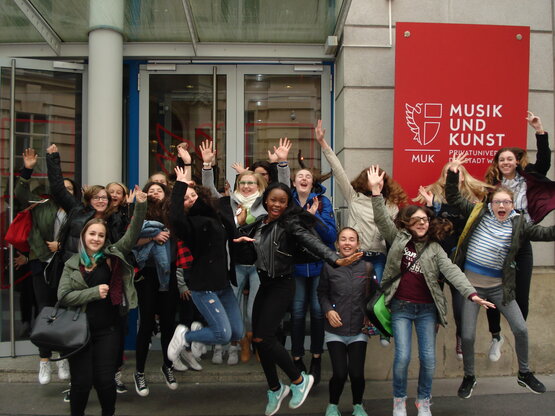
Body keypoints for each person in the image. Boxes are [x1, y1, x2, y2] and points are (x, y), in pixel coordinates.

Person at [367, 165, 493, 416]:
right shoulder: (399, 239)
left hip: (427, 310)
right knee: (402, 357)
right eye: (416, 220)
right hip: (401, 307)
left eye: (425, 219)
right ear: (407, 224)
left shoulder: (435, 248)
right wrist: (376, 193)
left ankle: (423, 400)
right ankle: (399, 400)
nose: (421, 223)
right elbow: (381, 219)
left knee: (428, 359)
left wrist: (472, 294)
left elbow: (452, 271)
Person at [234, 182, 362, 416]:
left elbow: (310, 240)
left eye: (282, 201)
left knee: (267, 337)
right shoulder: (260, 223)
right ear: (265, 200)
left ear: (287, 204)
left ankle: (299, 380)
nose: (277, 204)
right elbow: (251, 253)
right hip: (265, 284)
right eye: (273, 200)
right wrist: (242, 234)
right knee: (259, 340)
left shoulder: (289, 223)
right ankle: (275, 389)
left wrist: (334, 259)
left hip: (282, 285)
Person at [445, 160, 555, 400]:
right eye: (497, 202)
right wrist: (453, 174)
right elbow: (453, 197)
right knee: (468, 335)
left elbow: (546, 233)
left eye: (506, 202)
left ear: (512, 205)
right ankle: (469, 376)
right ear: (491, 204)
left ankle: (524, 373)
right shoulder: (478, 213)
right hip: (471, 287)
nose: (501, 206)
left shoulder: (519, 224)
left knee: (521, 328)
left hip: (499, 289)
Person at [314, 120, 407, 346]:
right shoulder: (353, 197)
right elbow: (339, 171)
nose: (375, 182)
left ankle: (382, 330)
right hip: (357, 255)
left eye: (379, 179)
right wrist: (323, 144)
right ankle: (346, 332)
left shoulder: (391, 205)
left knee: (382, 293)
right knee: (351, 294)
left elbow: (394, 234)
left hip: (379, 256)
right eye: (371, 178)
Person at [57, 186, 147, 416]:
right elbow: (63, 296)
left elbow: (132, 234)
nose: (96, 239)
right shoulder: (71, 264)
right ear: (83, 236)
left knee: (105, 381)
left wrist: (140, 205)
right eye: (92, 234)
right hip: (77, 331)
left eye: (101, 235)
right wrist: (94, 293)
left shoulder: (111, 255)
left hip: (107, 330)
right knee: (81, 384)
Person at [482, 111, 555, 362]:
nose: (505, 162)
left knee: (521, 295)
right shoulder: (491, 187)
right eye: (501, 159)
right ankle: (496, 336)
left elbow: (544, 161)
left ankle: (517, 329)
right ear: (497, 163)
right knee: (492, 291)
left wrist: (540, 130)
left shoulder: (528, 177)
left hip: (522, 240)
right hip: (497, 244)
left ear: (516, 162)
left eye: (509, 159)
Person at [167, 165, 244, 379]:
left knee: (237, 332)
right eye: (185, 198)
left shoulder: (215, 215)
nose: (190, 199)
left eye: (193, 195)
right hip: (204, 287)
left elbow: (230, 227)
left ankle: (194, 335)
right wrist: (180, 187)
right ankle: (185, 337)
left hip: (223, 285)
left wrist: (241, 241)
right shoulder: (188, 225)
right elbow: (176, 217)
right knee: (222, 334)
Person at [414, 155, 493, 360]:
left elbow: (474, 225)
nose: (452, 176)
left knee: (460, 306)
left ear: (463, 177)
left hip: (460, 262)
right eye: (449, 172)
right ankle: (428, 344)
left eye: (456, 173)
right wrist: (430, 207)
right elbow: (425, 230)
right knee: (432, 303)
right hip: (436, 259)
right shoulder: (434, 198)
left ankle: (460, 335)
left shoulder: (473, 200)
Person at [15, 148, 81, 386]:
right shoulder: (42, 205)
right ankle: (44, 360)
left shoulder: (77, 211)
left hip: (67, 267)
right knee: (45, 311)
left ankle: (62, 357)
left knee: (63, 311)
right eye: (63, 188)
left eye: (70, 189)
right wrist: (27, 169)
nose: (66, 191)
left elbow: (83, 238)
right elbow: (20, 194)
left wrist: (61, 246)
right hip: (41, 264)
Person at [132, 180, 181, 397]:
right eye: (150, 190)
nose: (154, 193)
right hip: (148, 274)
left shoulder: (172, 214)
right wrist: (153, 236)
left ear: (166, 194)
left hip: (169, 272)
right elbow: (131, 241)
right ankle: (139, 371)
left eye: (158, 190)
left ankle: (168, 366)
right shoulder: (139, 213)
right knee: (146, 322)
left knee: (169, 321)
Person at [290, 168, 337, 385]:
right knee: (298, 311)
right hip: (296, 266)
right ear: (293, 181)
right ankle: (297, 357)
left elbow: (331, 235)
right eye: (300, 176)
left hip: (319, 266)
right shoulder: (288, 201)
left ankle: (316, 357)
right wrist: (303, 216)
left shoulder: (323, 202)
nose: (304, 178)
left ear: (312, 182)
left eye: (308, 176)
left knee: (318, 312)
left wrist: (314, 216)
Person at [317, 227, 370, 416]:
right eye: (343, 239)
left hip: (358, 330)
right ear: (337, 244)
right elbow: (321, 293)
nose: (347, 243)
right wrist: (328, 310)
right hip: (335, 331)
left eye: (352, 239)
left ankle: (358, 406)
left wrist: (370, 317)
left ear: (358, 244)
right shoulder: (329, 266)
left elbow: (373, 297)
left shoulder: (367, 267)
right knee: (340, 373)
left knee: (356, 374)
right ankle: (332, 406)